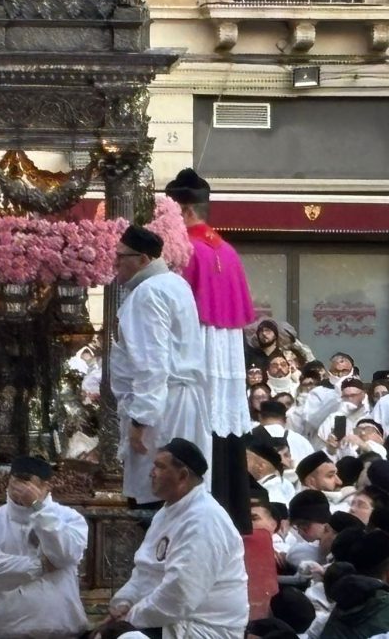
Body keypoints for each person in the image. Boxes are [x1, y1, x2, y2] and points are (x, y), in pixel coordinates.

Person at [164, 168, 255, 534]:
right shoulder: (228, 251)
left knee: (196, 424)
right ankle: (232, 511)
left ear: (185, 211)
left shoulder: (183, 250)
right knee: (222, 428)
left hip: (196, 349)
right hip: (226, 353)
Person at [105, 439, 248, 639]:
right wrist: (123, 603)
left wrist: (129, 619)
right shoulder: (165, 514)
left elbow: (179, 594)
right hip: (165, 620)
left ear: (182, 476)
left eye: (160, 467)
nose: (152, 473)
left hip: (203, 628)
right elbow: (145, 572)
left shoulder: (205, 519)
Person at [110, 225, 211, 505]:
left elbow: (151, 364)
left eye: (121, 256)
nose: (116, 263)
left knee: (158, 491)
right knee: (183, 492)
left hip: (162, 407)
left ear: (143, 259)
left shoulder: (148, 293)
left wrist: (140, 421)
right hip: (179, 401)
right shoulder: (175, 284)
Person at [0, 455, 88, 639]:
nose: (18, 487)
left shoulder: (70, 518)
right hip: (2, 631)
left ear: (46, 486)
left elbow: (64, 554)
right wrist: (41, 566)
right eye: (15, 480)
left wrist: (37, 507)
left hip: (59, 630)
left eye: (26, 481)